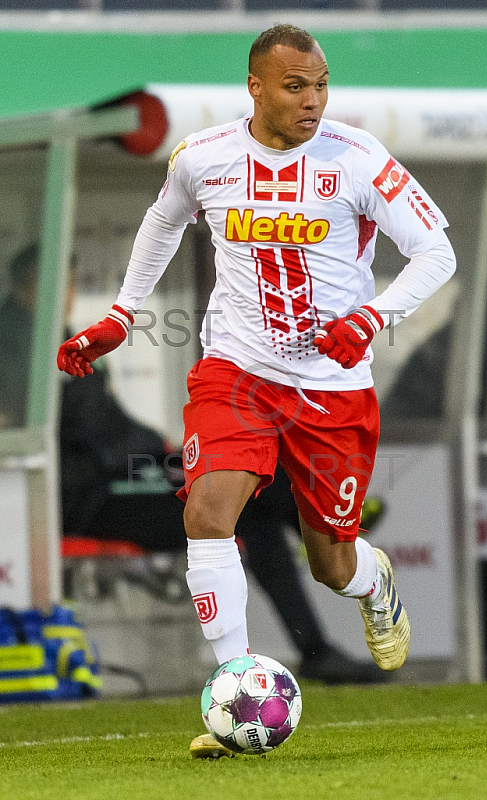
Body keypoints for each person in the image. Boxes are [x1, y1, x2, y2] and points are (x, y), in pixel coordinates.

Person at [57, 25, 456, 757]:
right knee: (209, 512)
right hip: (237, 371)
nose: (312, 101)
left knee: (332, 563)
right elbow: (161, 223)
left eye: (321, 85)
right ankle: (234, 692)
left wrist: (373, 316)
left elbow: (437, 249)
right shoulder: (204, 157)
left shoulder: (358, 158)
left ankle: (374, 582)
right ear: (257, 87)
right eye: (296, 86)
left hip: (334, 386)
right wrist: (119, 315)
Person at [2, 245, 376, 686]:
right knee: (250, 509)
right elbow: (63, 425)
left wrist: (157, 446)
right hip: (90, 494)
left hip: (124, 472)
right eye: (64, 285)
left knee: (251, 503)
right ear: (33, 286)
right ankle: (324, 524)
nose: (68, 295)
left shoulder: (46, 332)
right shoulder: (14, 339)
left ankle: (316, 553)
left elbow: (103, 421)